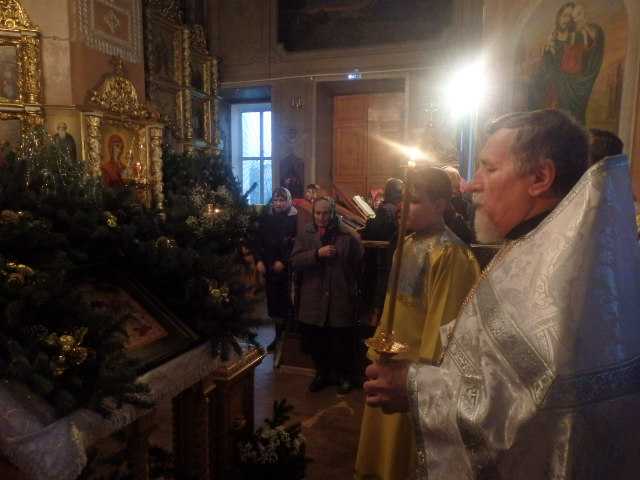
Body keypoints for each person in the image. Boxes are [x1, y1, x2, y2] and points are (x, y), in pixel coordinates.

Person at [364, 109, 640, 479]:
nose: (471, 186)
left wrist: (413, 387)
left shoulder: (562, 277)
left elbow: (529, 413)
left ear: (540, 178)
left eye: (489, 168)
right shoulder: (535, 246)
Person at [355, 167, 480, 480]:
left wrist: (420, 381)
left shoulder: (451, 254)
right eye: (403, 199)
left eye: (414, 200)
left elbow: (445, 328)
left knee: (407, 455)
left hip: (413, 376)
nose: (402, 207)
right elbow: (393, 304)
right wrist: (378, 351)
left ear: (439, 204)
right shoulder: (406, 245)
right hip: (390, 361)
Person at [291, 196, 364, 393]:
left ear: (332, 213)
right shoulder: (306, 233)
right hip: (313, 296)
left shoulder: (346, 234)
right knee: (317, 341)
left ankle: (344, 376)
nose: (321, 217)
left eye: (326, 213)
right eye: (318, 213)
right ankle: (321, 374)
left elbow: (358, 263)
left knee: (341, 340)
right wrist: (317, 254)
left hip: (339, 295)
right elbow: (295, 261)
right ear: (313, 213)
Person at [528, 2, 604, 123]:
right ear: (559, 16)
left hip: (569, 87)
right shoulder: (552, 38)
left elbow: (585, 56)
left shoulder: (577, 36)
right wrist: (548, 53)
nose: (566, 20)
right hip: (553, 87)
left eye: (570, 17)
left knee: (569, 121)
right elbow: (545, 66)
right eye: (564, 15)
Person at [254, 187, 298, 353]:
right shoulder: (266, 217)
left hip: (287, 269)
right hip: (269, 266)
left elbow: (295, 243)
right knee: (273, 304)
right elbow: (258, 240)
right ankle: (278, 336)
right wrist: (259, 260)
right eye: (276, 200)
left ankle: (289, 338)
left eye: (282, 200)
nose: (278, 204)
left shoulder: (295, 219)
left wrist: (284, 261)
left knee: (287, 303)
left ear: (289, 201)